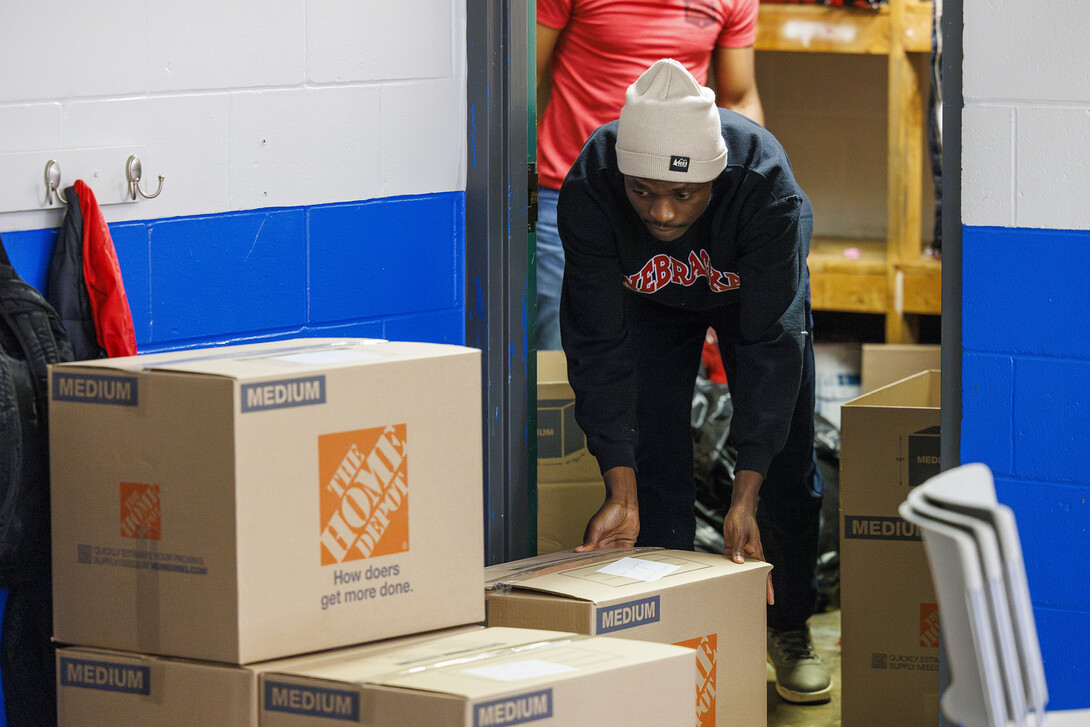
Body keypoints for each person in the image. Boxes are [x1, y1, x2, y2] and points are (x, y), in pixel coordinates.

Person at [559, 58, 831, 704]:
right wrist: (616, 484)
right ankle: (667, 628)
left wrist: (745, 492)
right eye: (644, 191)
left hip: (751, 299)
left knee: (788, 462)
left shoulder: (766, 186)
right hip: (651, 303)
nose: (662, 212)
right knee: (653, 455)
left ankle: (788, 625)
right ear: (622, 174)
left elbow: (772, 345)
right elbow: (598, 345)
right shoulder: (593, 186)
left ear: (718, 177)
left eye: (685, 194)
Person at [535, 0, 764, 351]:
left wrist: (745, 202)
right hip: (571, 188)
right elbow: (521, 80)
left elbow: (740, 99)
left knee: (661, 345)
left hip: (675, 194)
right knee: (567, 342)